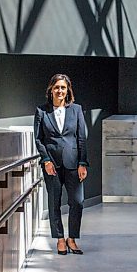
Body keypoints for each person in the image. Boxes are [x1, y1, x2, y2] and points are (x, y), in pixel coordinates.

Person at [34, 73, 89, 255]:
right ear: (51, 89)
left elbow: (82, 138)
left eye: (63, 87)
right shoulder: (42, 111)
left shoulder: (76, 110)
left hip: (73, 164)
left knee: (77, 202)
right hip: (52, 165)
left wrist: (83, 162)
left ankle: (71, 238)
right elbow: (38, 139)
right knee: (54, 203)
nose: (60, 90)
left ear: (68, 90)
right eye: (56, 87)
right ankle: (59, 239)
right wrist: (46, 160)